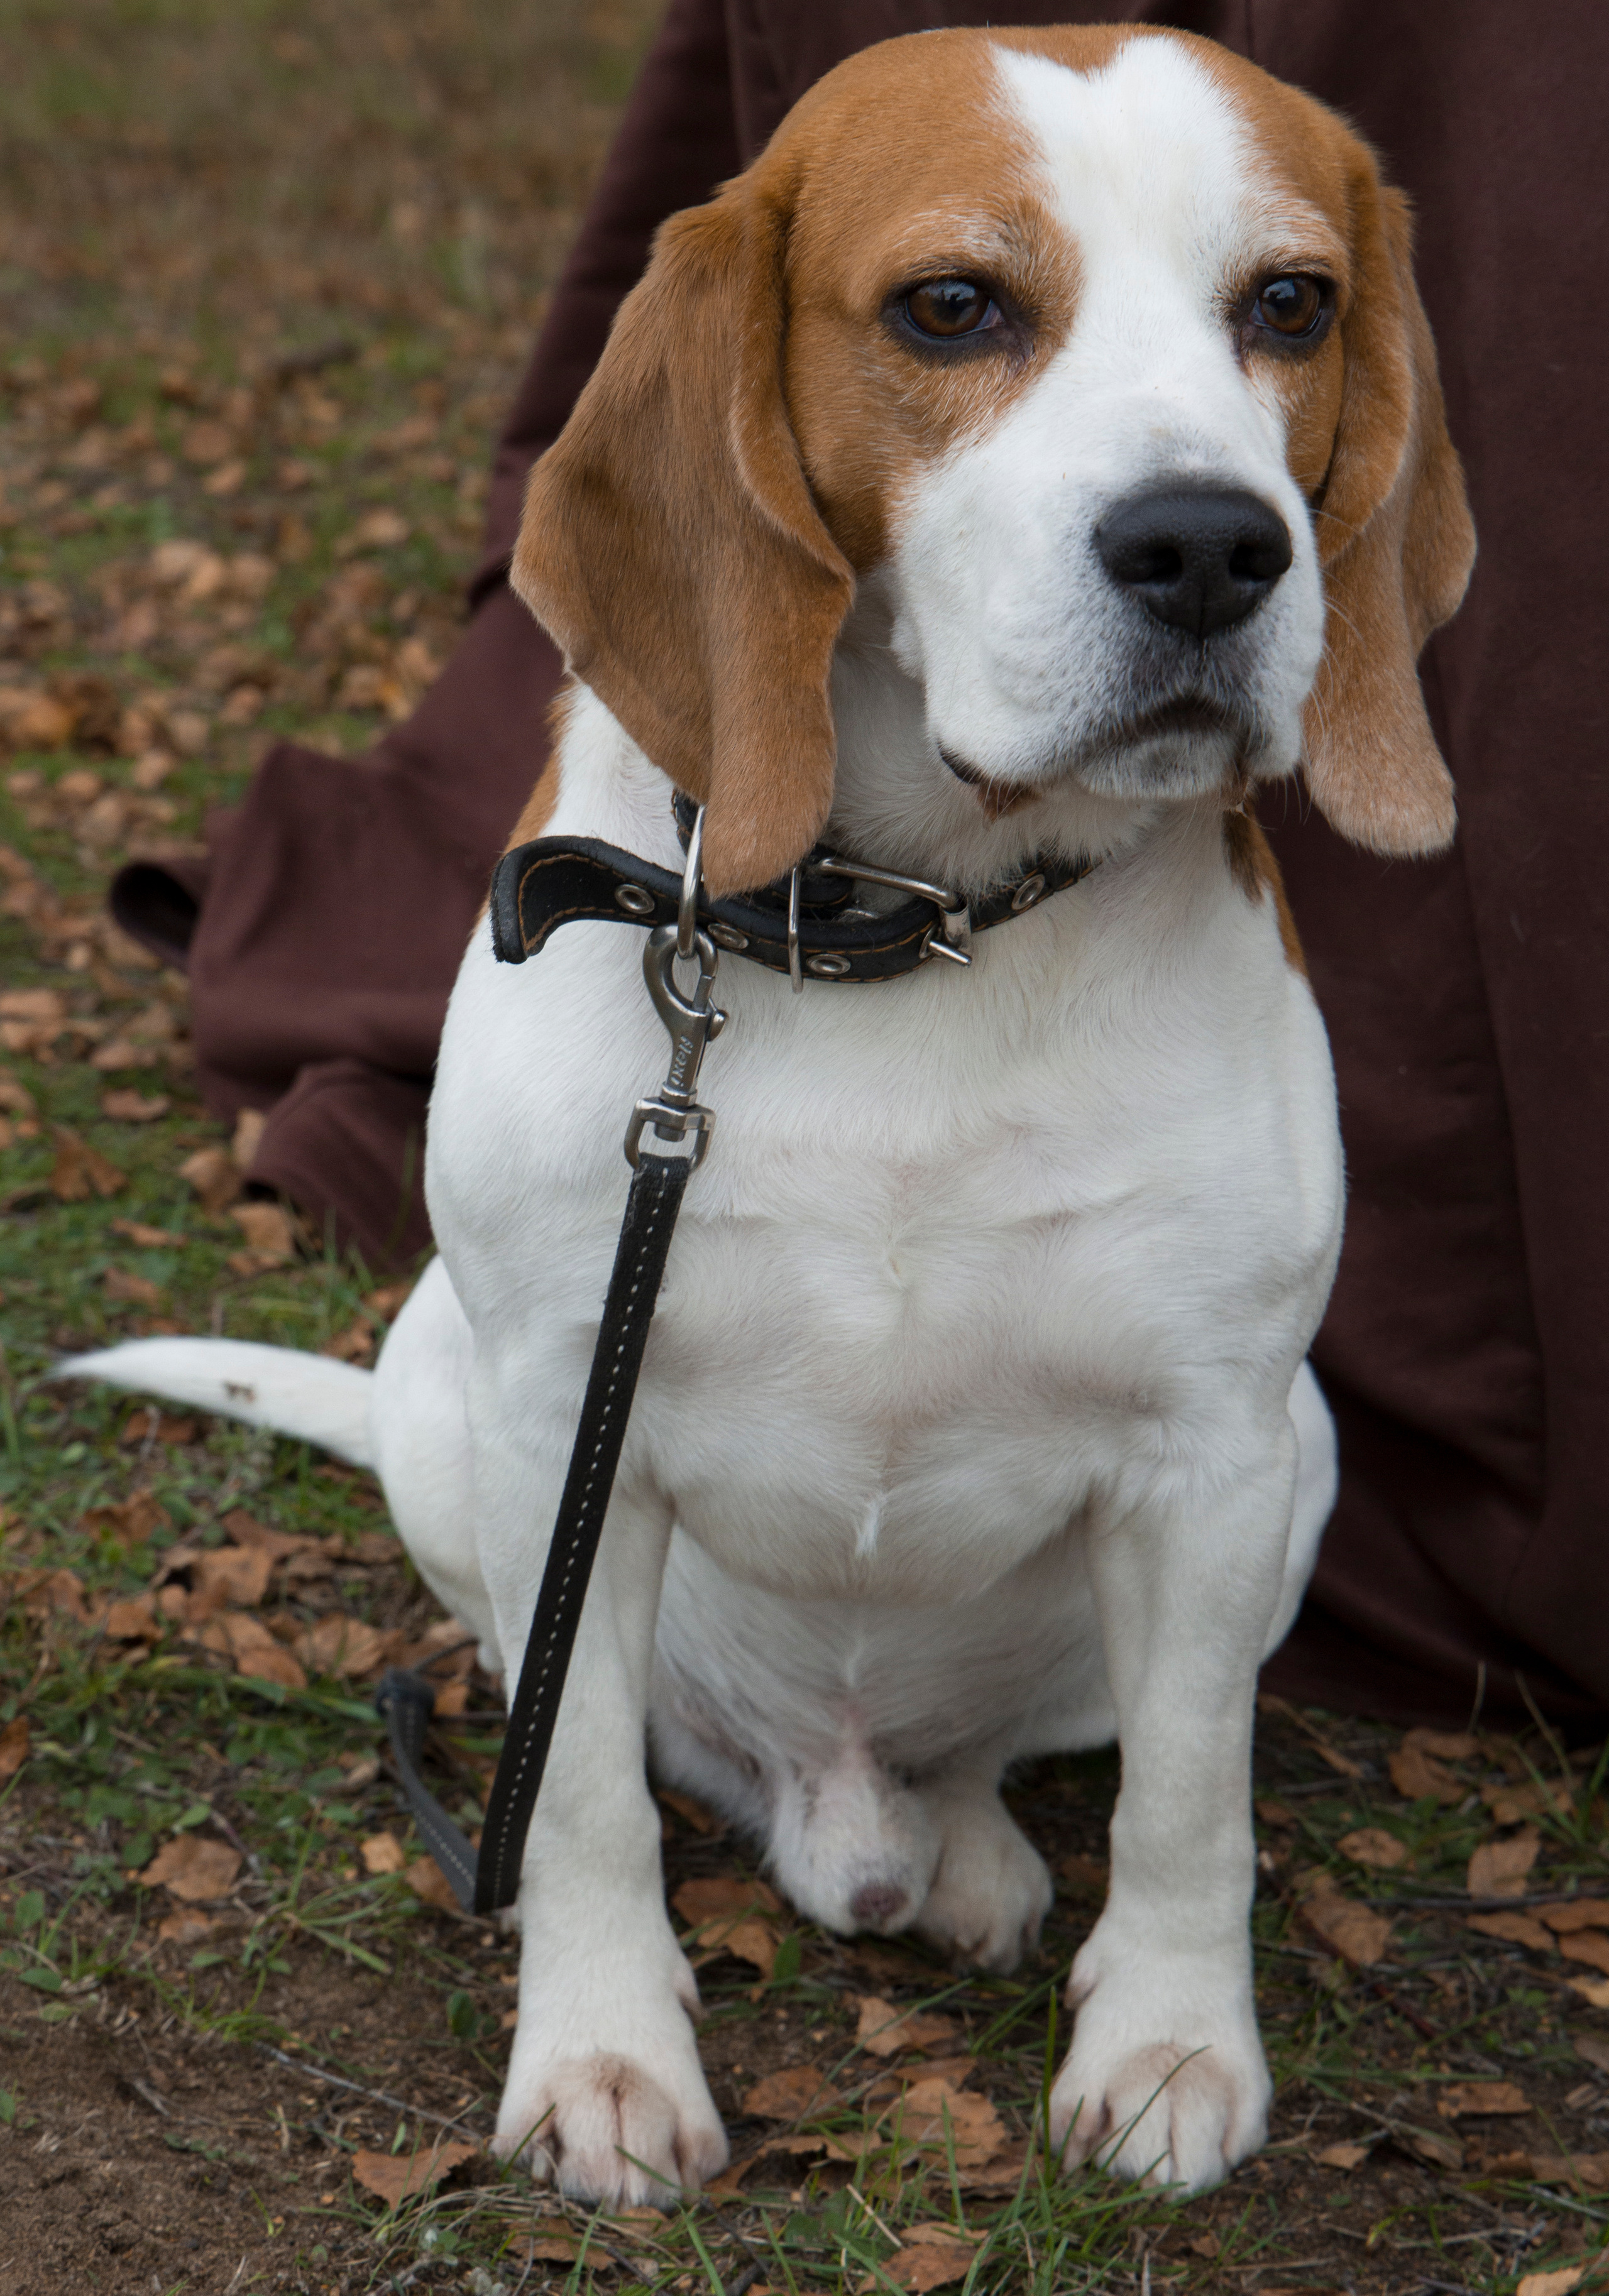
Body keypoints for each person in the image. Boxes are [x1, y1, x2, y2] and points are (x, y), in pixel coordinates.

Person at [114, 0, 1609, 1732]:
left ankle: (979, 1787)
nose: (1208, 510)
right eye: (959, 309)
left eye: (1278, 311)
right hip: (670, 1662)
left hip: (1036, 1687)